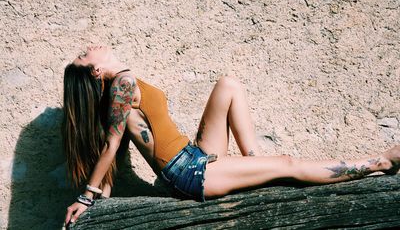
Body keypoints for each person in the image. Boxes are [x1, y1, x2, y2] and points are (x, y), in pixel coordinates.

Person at [63, 46, 399, 225]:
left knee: (229, 85)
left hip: (194, 155)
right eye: (83, 54)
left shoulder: (125, 82)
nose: (89, 47)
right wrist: (88, 196)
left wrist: (99, 189)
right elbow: (112, 145)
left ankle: (253, 166)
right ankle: (379, 162)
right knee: (288, 163)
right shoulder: (120, 85)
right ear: (95, 70)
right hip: (188, 172)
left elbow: (115, 152)